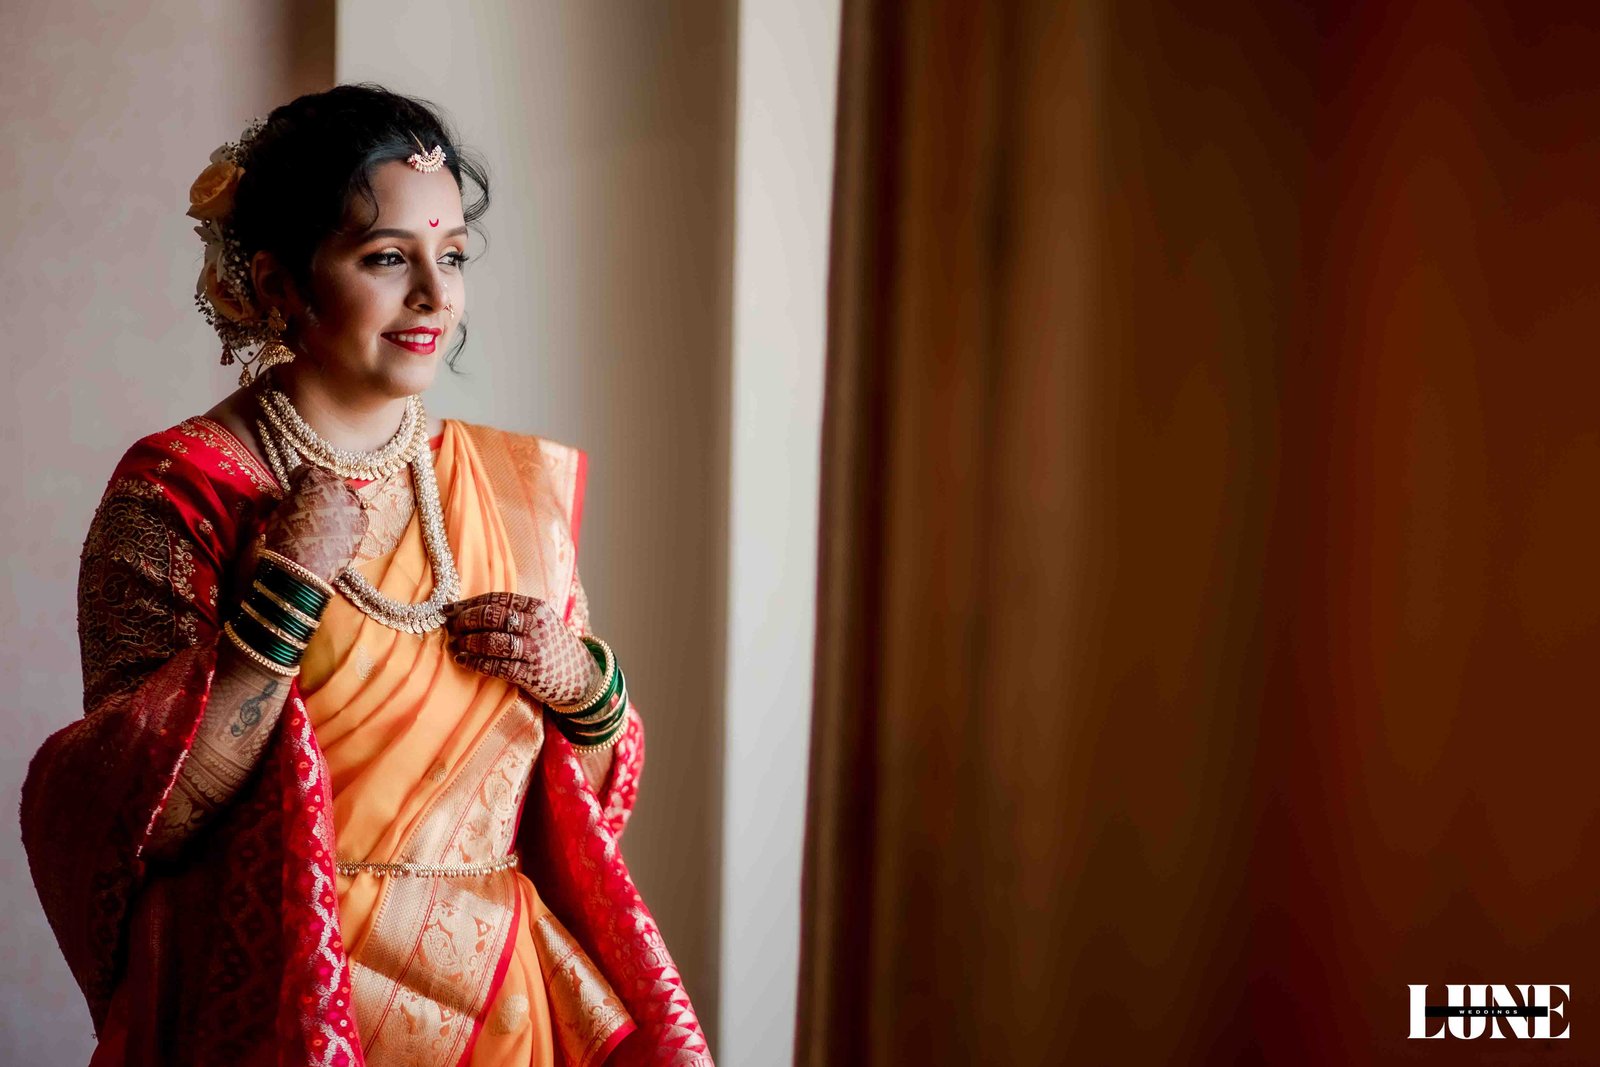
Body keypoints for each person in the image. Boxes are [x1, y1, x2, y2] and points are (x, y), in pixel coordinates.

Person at [19, 83, 711, 1067]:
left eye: (452, 256)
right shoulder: (185, 489)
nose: (434, 295)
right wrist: (285, 593)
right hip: (282, 998)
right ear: (278, 282)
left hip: (503, 1008)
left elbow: (572, 808)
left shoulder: (507, 488)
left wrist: (587, 690)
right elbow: (136, 819)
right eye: (388, 257)